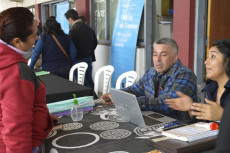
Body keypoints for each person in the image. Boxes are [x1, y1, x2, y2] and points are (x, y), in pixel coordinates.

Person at [0, 7, 58, 153]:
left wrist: (42, 117)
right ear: (17, 41)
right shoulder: (16, 71)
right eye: (33, 36)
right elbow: (17, 127)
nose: (37, 38)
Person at [101, 38, 197, 122]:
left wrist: (133, 102)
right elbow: (135, 90)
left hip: (177, 127)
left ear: (175, 57)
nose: (157, 59)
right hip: (153, 121)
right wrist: (116, 95)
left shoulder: (185, 74)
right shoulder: (152, 72)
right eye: (155, 54)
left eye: (163, 55)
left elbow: (168, 104)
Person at [165, 39, 230, 121]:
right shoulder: (210, 89)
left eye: (213, 56)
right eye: (207, 57)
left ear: (228, 61)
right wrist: (191, 108)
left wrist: (223, 115)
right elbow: (204, 124)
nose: (206, 62)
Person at [65, 9, 98, 88]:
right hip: (88, 58)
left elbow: (72, 48)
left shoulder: (73, 30)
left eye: (68, 21)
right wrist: (89, 51)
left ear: (70, 19)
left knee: (79, 82)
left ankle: (82, 98)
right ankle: (91, 96)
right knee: (89, 80)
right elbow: (95, 43)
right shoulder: (89, 28)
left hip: (78, 60)